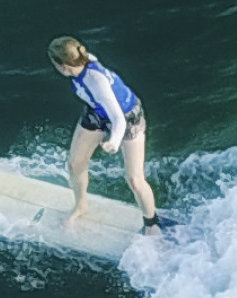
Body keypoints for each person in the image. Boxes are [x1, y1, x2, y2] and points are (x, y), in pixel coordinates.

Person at [48, 36, 161, 231]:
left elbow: (118, 119)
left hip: (127, 117)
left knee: (135, 179)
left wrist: (114, 142)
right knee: (76, 164)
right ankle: (81, 205)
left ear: (63, 67)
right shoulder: (82, 60)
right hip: (97, 112)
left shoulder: (95, 81)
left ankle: (152, 223)